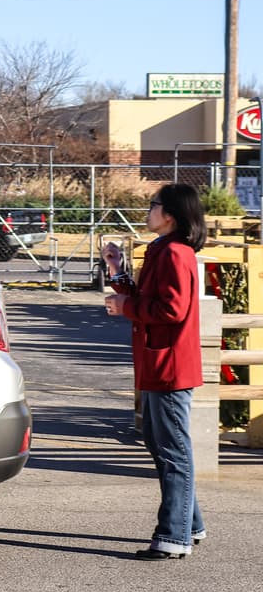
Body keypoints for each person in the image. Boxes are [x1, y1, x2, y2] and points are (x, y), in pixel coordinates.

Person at [103, 183, 208, 560]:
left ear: (171, 214)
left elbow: (172, 309)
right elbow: (147, 299)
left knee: (172, 449)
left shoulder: (175, 253)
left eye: (153, 205)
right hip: (157, 363)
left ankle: (173, 536)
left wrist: (126, 305)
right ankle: (189, 524)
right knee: (160, 442)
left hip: (169, 365)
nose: (148, 211)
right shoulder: (162, 250)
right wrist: (117, 271)